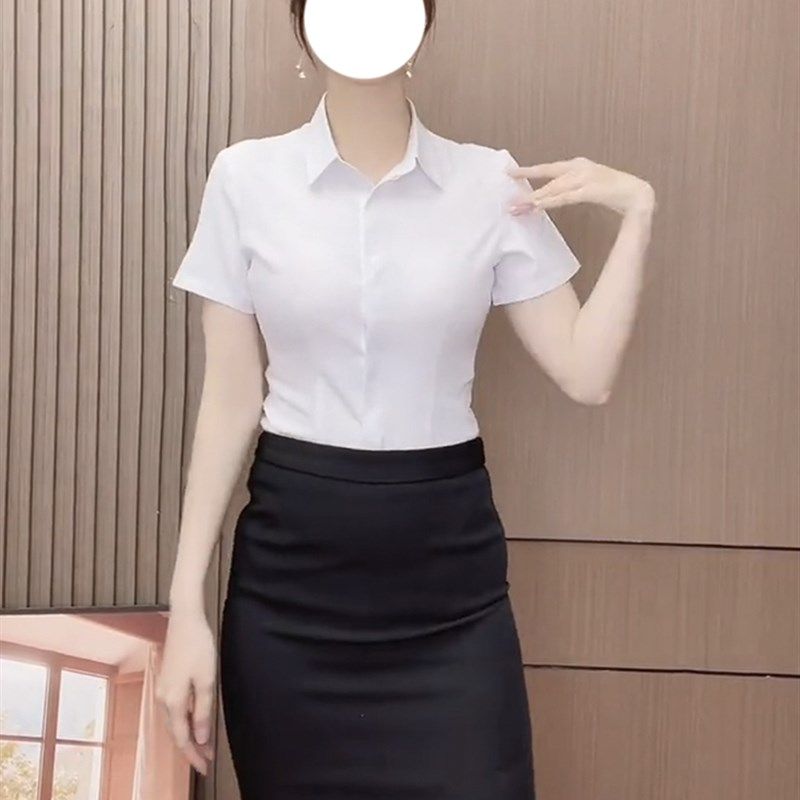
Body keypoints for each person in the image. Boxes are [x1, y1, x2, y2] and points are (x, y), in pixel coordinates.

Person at [156, 1, 656, 798]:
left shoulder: (486, 182)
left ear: (421, 25)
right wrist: (186, 608)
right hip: (291, 592)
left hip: (448, 591)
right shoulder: (245, 178)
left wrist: (637, 213)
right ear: (303, 30)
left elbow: (585, 373)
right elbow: (229, 398)